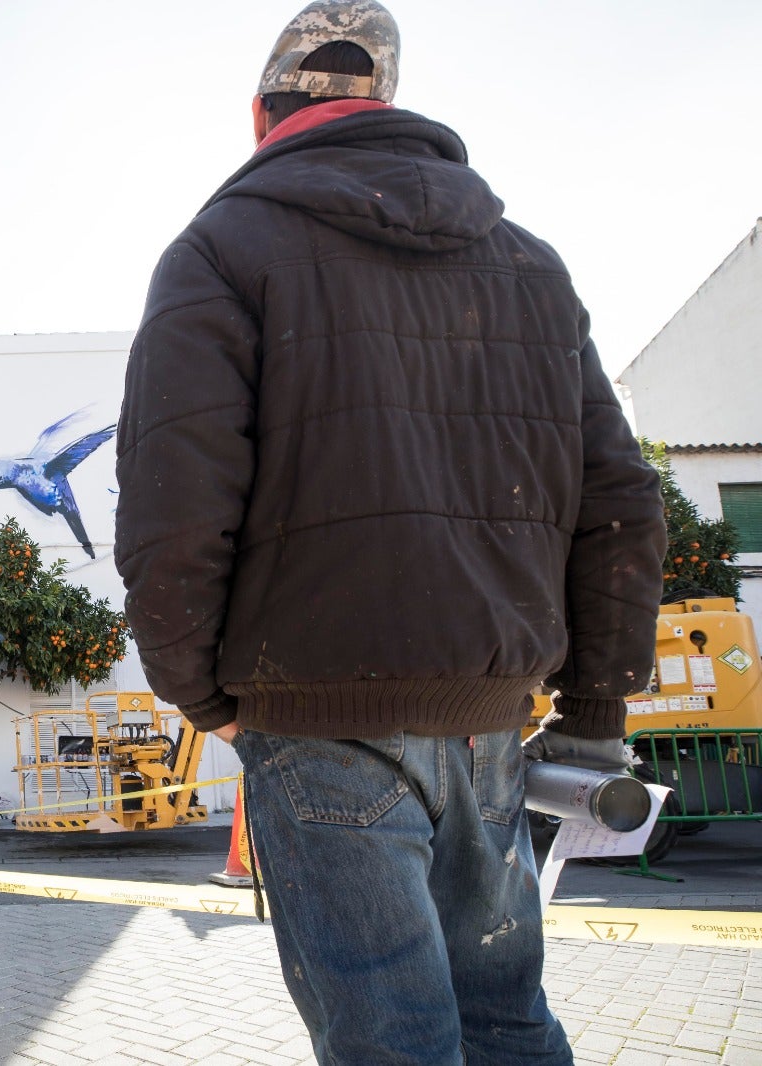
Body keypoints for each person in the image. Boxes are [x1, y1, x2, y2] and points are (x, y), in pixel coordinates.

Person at [113, 3, 666, 1063]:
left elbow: (175, 502)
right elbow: (620, 497)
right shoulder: (530, 266)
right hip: (491, 719)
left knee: (388, 1037)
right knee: (507, 1019)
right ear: (387, 105)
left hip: (315, 714)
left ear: (260, 113)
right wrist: (592, 709)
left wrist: (199, 693)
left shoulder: (220, 248)